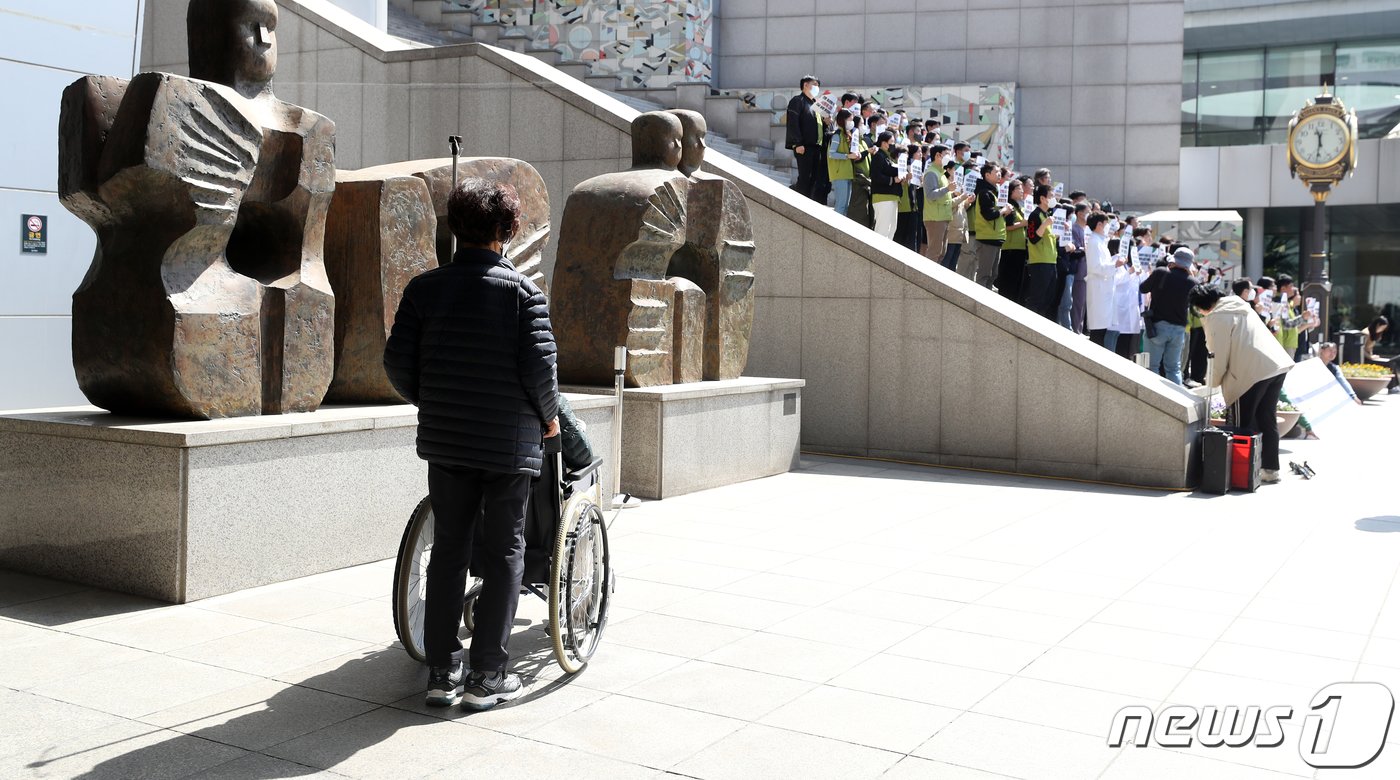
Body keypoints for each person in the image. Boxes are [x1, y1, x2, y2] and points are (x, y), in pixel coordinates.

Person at [384, 178, 560, 711]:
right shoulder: (523, 295)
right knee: (506, 549)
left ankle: (442, 669)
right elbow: (541, 374)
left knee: (450, 550)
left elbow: (397, 365)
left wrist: (432, 400)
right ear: (507, 232)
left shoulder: (424, 290)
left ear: (454, 228)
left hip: (447, 440)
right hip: (509, 447)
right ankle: (487, 675)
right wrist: (549, 421)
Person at [1190, 284, 1295, 484]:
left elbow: (1218, 356)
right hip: (1275, 365)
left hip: (1249, 373)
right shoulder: (1241, 305)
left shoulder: (1216, 316)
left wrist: (1211, 382)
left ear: (1202, 306)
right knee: (1267, 418)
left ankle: (1241, 472)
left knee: (1241, 423)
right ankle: (1270, 469)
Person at [1139, 247, 1196, 384]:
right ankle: (1177, 401)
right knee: (1174, 369)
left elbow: (1143, 288)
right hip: (1179, 330)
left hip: (1157, 326)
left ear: (1174, 260)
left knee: (1152, 366)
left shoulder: (1161, 273)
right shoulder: (1193, 282)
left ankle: (1152, 399)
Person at [785, 75, 825, 202]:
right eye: (815, 84)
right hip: (804, 146)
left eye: (818, 85)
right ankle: (799, 201)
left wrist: (827, 122)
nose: (817, 88)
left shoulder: (815, 104)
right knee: (805, 176)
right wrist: (798, 143)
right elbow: (793, 122)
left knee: (814, 177)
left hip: (816, 146)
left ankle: (806, 200)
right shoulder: (798, 101)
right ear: (806, 85)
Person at [971, 162, 1009, 289]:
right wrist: (1003, 211)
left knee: (993, 274)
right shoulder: (984, 193)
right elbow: (988, 214)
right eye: (996, 172)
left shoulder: (994, 192)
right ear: (987, 175)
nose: (999, 174)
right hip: (987, 238)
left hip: (995, 237)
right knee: (984, 274)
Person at [1023, 184, 1058, 319]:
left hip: (1051, 261)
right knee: (1037, 296)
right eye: (1051, 196)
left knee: (1048, 297)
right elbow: (1033, 238)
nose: (1053, 199)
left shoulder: (1047, 215)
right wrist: (1045, 224)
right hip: (1039, 262)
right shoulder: (1035, 215)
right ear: (1043, 198)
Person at [1084, 212, 1119, 349]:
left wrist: (1114, 262)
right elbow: (1095, 267)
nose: (1107, 227)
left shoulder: (1100, 242)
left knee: (1102, 329)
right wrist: (1115, 264)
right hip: (1098, 288)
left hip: (1103, 288)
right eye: (1106, 224)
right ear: (1099, 225)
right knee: (1097, 332)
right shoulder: (1094, 242)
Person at [826, 108, 864, 217]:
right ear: (843, 120)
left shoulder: (847, 135)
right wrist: (848, 156)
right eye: (850, 120)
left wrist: (856, 155)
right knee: (841, 205)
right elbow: (831, 154)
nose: (852, 122)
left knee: (846, 205)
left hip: (847, 172)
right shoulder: (837, 135)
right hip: (840, 173)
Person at [996, 179, 1028, 302]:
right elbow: (1007, 226)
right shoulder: (1009, 206)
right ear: (1012, 191)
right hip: (1010, 248)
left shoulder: (1018, 206)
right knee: (1008, 283)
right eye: (1019, 189)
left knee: (1017, 284)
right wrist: (1022, 224)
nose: (1022, 191)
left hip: (1019, 248)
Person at [921, 144, 953, 262]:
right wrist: (947, 189)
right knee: (934, 252)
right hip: (935, 218)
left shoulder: (941, 173)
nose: (949, 157)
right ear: (938, 155)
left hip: (943, 217)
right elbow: (930, 195)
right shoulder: (931, 173)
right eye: (946, 154)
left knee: (941, 253)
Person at [1317, 341, 1364, 406]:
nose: (1332, 354)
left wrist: (1353, 396)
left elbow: (1342, 381)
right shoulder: (1312, 364)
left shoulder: (1334, 368)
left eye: (1334, 352)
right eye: (1330, 350)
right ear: (1321, 350)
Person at [1364, 316, 1400, 393]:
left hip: (1370, 358)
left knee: (1392, 362)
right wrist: (1370, 357)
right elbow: (1361, 350)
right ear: (1377, 325)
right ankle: (1392, 387)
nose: (1382, 330)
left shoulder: (1374, 334)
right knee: (1390, 363)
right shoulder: (1366, 333)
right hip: (1365, 359)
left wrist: (1373, 356)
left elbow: (1369, 348)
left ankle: (1394, 386)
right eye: (1382, 327)